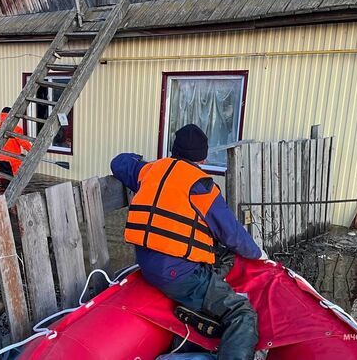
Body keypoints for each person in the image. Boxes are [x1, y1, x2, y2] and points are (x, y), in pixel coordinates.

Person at [110, 124, 266, 360]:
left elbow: (119, 162)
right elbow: (232, 234)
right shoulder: (202, 187)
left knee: (221, 255)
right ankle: (205, 308)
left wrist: (140, 160)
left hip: (148, 262)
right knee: (243, 314)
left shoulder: (150, 170)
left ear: (174, 150)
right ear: (202, 159)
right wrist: (258, 254)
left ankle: (197, 306)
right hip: (178, 274)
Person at [0, 107, 32, 176]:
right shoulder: (16, 129)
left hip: (0, 158)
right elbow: (24, 142)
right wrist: (32, 150)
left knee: (2, 177)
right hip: (13, 160)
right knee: (15, 178)